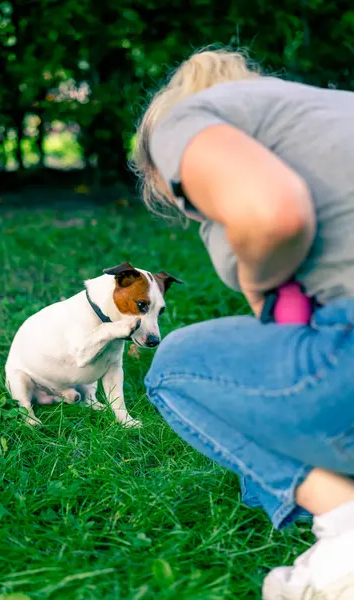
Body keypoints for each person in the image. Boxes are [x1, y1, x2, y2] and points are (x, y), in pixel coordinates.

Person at [130, 46, 354, 599]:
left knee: (176, 367)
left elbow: (272, 213)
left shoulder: (184, 121)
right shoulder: (328, 110)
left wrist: (256, 278)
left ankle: (344, 535)